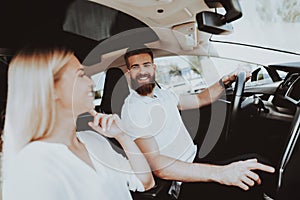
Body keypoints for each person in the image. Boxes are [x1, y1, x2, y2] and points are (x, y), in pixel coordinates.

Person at [120, 46, 275, 200]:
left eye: (146, 65)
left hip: (196, 158)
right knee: (252, 173)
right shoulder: (134, 110)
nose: (142, 71)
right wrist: (221, 174)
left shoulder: (163, 94)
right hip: (180, 181)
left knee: (254, 160)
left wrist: (226, 81)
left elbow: (200, 99)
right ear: (129, 74)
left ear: (154, 68)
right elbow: (159, 166)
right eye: (135, 67)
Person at [2, 45, 155, 200]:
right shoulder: (33, 166)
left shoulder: (93, 139)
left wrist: (122, 136)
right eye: (81, 75)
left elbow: (145, 182)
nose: (91, 83)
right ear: (52, 88)